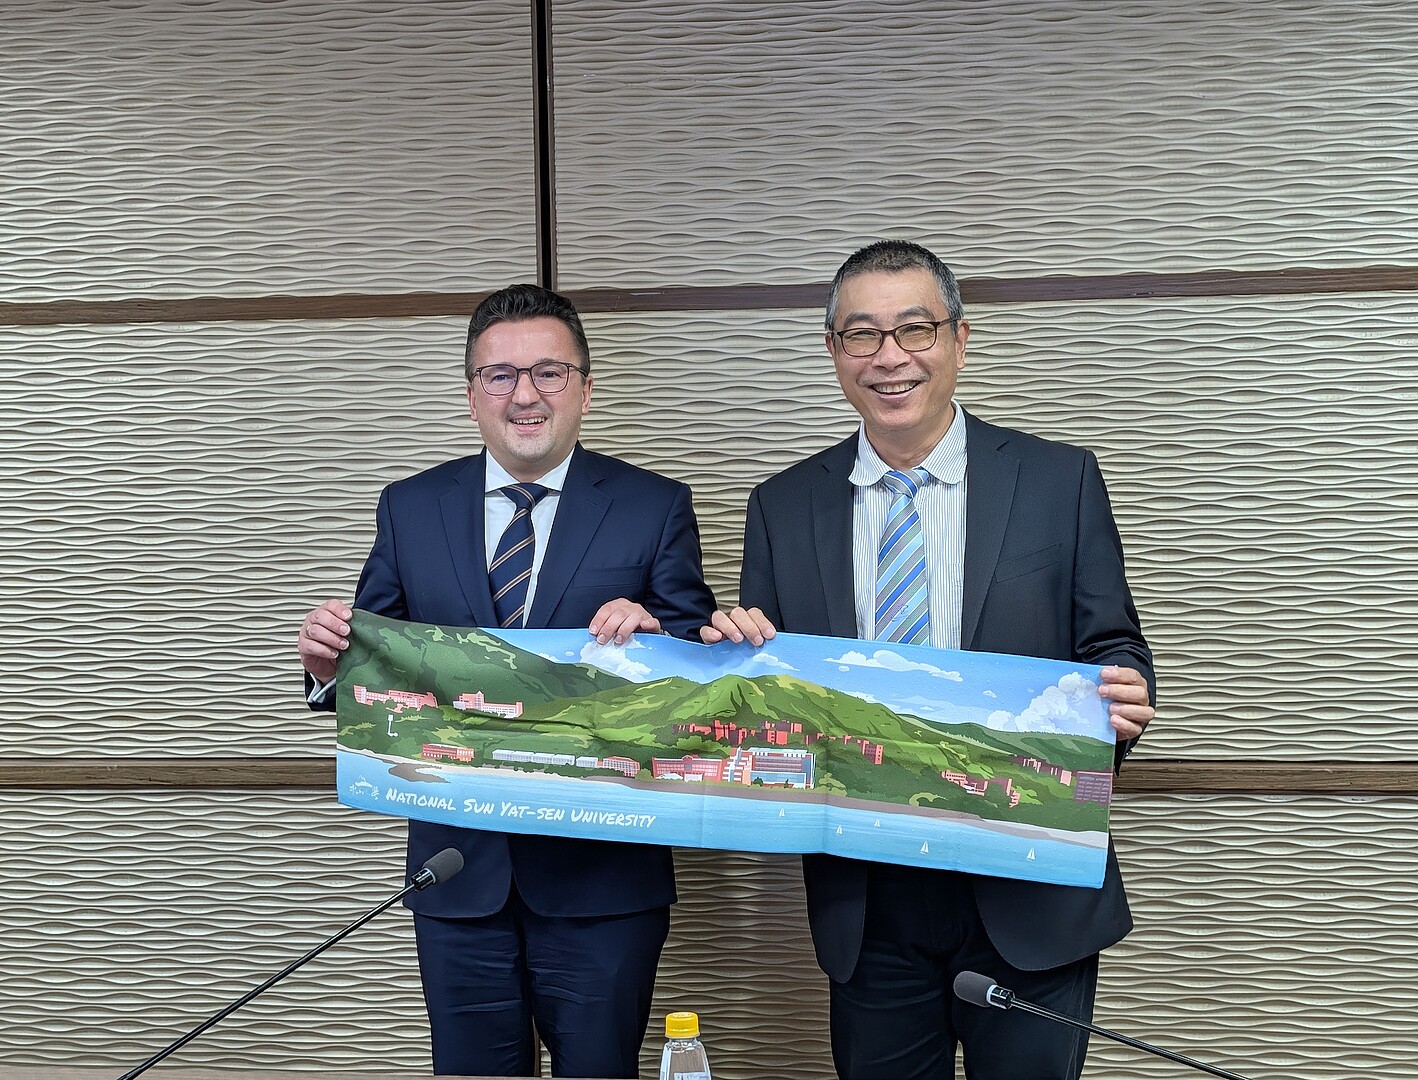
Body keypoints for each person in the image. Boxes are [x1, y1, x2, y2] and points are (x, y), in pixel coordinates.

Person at [703, 240, 1155, 1080]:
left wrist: (1123, 700)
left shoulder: (1058, 480)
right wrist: (733, 666)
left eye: (915, 329)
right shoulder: (783, 505)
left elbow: (1113, 646)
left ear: (958, 339)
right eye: (862, 334)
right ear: (833, 350)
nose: (890, 357)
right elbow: (770, 687)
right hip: (868, 897)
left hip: (1027, 882)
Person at [297, 283, 716, 1078]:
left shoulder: (653, 505)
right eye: (501, 375)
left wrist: (660, 641)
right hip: (458, 874)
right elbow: (377, 658)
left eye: (549, 373)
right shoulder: (410, 507)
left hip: (604, 878)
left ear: (585, 389)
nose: (525, 395)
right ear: (472, 394)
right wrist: (328, 668)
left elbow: (702, 669)